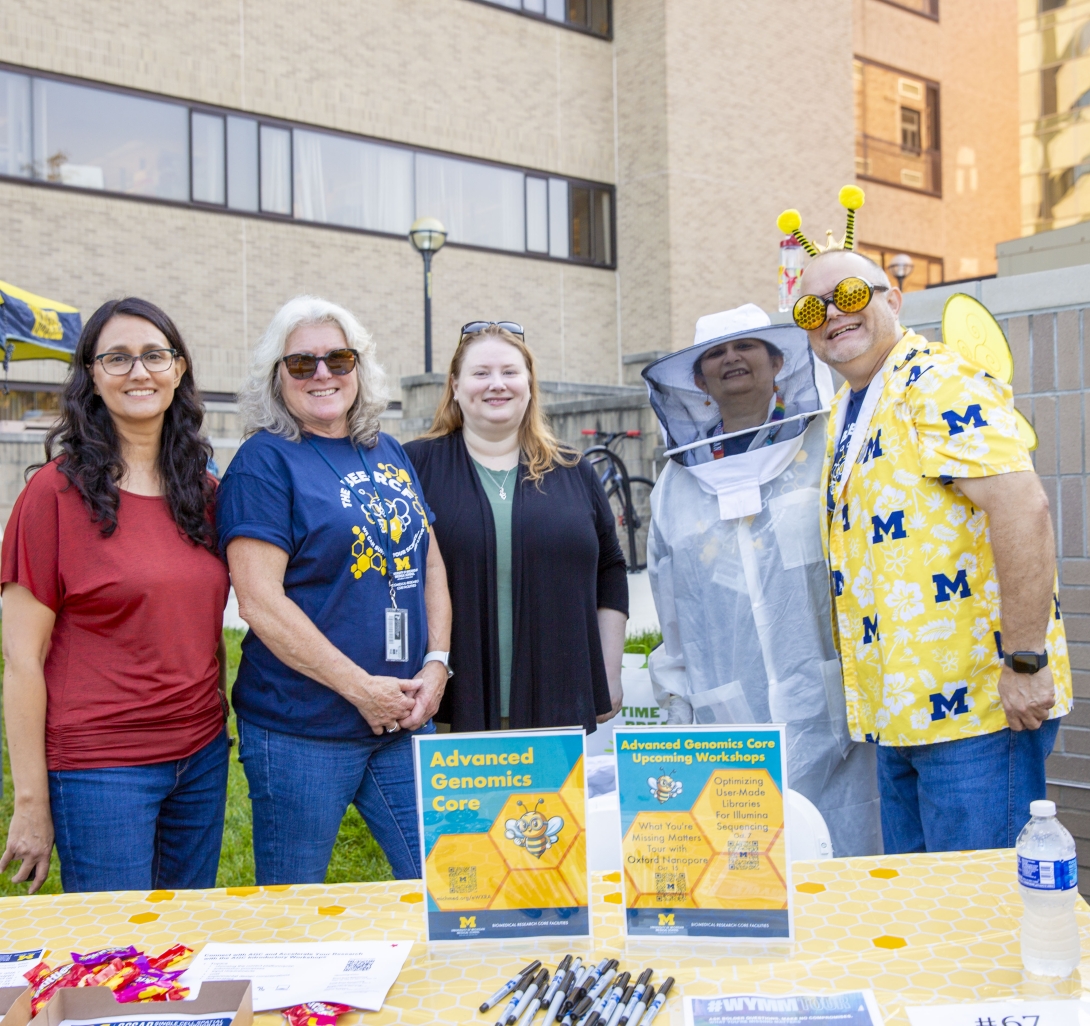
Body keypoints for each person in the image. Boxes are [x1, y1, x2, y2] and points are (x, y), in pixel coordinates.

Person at [784, 187, 1072, 852]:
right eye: (811, 308)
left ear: (893, 298)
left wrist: (1025, 664)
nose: (833, 315)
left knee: (980, 910)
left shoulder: (937, 379)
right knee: (930, 911)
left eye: (850, 295)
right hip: (898, 713)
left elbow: (1023, 506)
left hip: (974, 711)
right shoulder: (845, 414)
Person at [217, 296, 450, 884]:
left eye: (337, 359)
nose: (323, 374)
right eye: (302, 364)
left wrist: (438, 663)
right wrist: (359, 689)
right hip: (304, 727)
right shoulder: (264, 462)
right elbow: (259, 602)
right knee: (294, 905)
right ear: (277, 377)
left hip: (400, 717)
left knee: (444, 886)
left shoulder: (387, 450)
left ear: (359, 368)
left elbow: (430, 561)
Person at [0, 298, 230, 893]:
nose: (139, 372)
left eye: (155, 355)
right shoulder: (53, 496)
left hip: (201, 757)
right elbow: (22, 660)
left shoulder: (202, 492)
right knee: (111, 960)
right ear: (92, 377)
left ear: (178, 370)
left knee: (183, 950)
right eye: (118, 358)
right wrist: (31, 801)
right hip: (102, 768)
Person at [642, 304, 881, 857]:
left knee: (844, 863)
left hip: (835, 715)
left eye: (745, 346)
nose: (731, 359)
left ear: (778, 362)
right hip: (729, 719)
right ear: (698, 381)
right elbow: (673, 605)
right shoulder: (675, 485)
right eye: (715, 354)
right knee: (750, 883)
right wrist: (678, 707)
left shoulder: (828, 447)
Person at [404, 321, 627, 733]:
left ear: (528, 384)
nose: (496, 385)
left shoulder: (574, 470)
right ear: (455, 386)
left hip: (559, 705)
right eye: (480, 373)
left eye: (509, 372)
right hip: (446, 708)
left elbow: (610, 568)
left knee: (546, 802)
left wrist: (609, 673)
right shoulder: (413, 467)